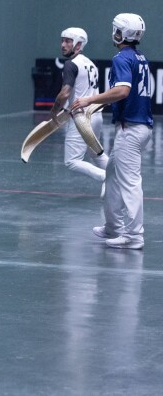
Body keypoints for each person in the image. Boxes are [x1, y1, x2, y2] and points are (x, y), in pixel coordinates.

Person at [72, 14, 152, 250]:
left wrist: (89, 99)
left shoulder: (121, 58)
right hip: (138, 127)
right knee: (112, 176)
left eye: (117, 30)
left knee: (130, 182)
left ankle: (134, 236)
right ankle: (113, 227)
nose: (114, 33)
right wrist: (97, 104)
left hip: (131, 130)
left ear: (122, 34)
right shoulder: (140, 57)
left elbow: (122, 91)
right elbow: (126, 95)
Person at [51, 27, 109, 189]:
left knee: (72, 161)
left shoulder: (71, 64)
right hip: (96, 117)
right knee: (95, 154)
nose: (63, 45)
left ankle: (106, 177)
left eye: (68, 41)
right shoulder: (91, 64)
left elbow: (65, 93)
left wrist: (54, 111)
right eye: (62, 41)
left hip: (81, 119)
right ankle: (120, 176)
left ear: (78, 44)